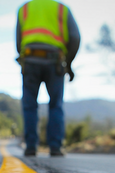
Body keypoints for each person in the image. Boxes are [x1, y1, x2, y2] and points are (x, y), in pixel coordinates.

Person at [16, 0, 80, 156]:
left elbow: (18, 42)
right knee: (55, 105)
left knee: (30, 105)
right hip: (55, 61)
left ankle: (31, 146)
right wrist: (69, 64)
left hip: (30, 59)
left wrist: (24, 58)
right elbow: (75, 37)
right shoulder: (61, 9)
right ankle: (55, 147)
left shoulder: (24, 9)